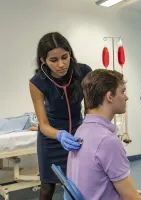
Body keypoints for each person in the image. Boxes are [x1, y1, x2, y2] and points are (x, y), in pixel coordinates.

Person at [29, 32, 92, 200]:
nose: (61, 64)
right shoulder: (37, 82)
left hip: (78, 136)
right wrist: (60, 135)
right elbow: (43, 124)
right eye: (53, 60)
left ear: (70, 53)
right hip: (51, 138)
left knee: (81, 183)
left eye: (65, 57)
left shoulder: (84, 71)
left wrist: (89, 130)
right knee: (47, 187)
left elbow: (90, 109)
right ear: (43, 60)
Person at [67, 69, 141, 200]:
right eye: (123, 92)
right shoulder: (107, 141)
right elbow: (131, 197)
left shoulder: (81, 129)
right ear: (109, 96)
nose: (126, 97)